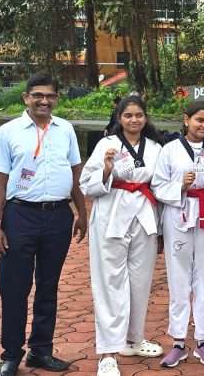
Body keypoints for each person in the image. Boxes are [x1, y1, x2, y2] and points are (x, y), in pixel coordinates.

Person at [0, 73, 88, 376]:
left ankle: (41, 351)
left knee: (48, 285)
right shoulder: (9, 132)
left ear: (57, 98)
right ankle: (11, 354)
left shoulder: (65, 130)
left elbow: (74, 173)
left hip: (58, 216)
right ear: (26, 98)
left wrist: (81, 214)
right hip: (19, 216)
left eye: (50, 96)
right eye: (37, 95)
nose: (44, 101)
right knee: (15, 286)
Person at [79, 96, 165, 376]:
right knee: (110, 283)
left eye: (139, 115)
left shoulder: (155, 147)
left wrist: (163, 226)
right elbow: (85, 184)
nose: (134, 120)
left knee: (141, 281)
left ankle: (133, 339)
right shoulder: (107, 145)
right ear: (119, 118)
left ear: (145, 117)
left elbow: (162, 183)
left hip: (144, 214)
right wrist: (105, 169)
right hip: (111, 214)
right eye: (128, 115)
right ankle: (107, 353)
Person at [152, 101, 204, 367]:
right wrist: (180, 186)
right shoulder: (170, 150)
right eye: (199, 120)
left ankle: (203, 341)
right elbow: (158, 186)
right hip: (179, 217)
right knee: (179, 280)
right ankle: (177, 341)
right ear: (186, 119)